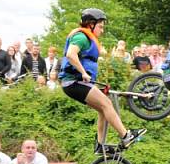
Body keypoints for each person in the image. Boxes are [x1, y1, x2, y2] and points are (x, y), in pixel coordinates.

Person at [60, 8, 146, 151]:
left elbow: (102, 54)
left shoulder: (90, 40)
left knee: (103, 109)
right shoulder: (81, 37)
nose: (102, 30)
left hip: (76, 83)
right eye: (100, 26)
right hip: (74, 81)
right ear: (90, 24)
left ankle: (100, 145)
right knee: (107, 103)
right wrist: (83, 72)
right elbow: (70, 54)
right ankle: (126, 136)